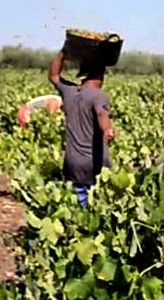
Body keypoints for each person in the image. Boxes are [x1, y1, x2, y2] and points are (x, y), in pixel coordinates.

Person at [48, 51, 115, 207]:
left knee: (76, 211)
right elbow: (101, 114)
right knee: (97, 210)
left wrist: (64, 51)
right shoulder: (98, 96)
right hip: (95, 163)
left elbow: (54, 76)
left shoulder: (70, 92)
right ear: (99, 75)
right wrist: (107, 130)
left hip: (72, 163)